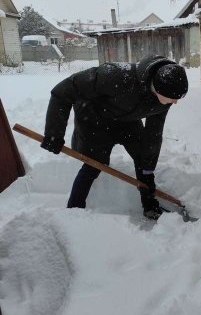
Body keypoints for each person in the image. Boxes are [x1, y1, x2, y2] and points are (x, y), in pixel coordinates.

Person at [40, 54, 188, 220]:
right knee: (94, 164)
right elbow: (62, 92)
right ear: (158, 87)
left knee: (143, 159)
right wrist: (54, 133)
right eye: (174, 98)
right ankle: (74, 212)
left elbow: (153, 134)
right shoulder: (114, 75)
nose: (175, 103)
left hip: (127, 120)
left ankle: (150, 206)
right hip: (94, 120)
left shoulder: (163, 100)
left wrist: (148, 167)